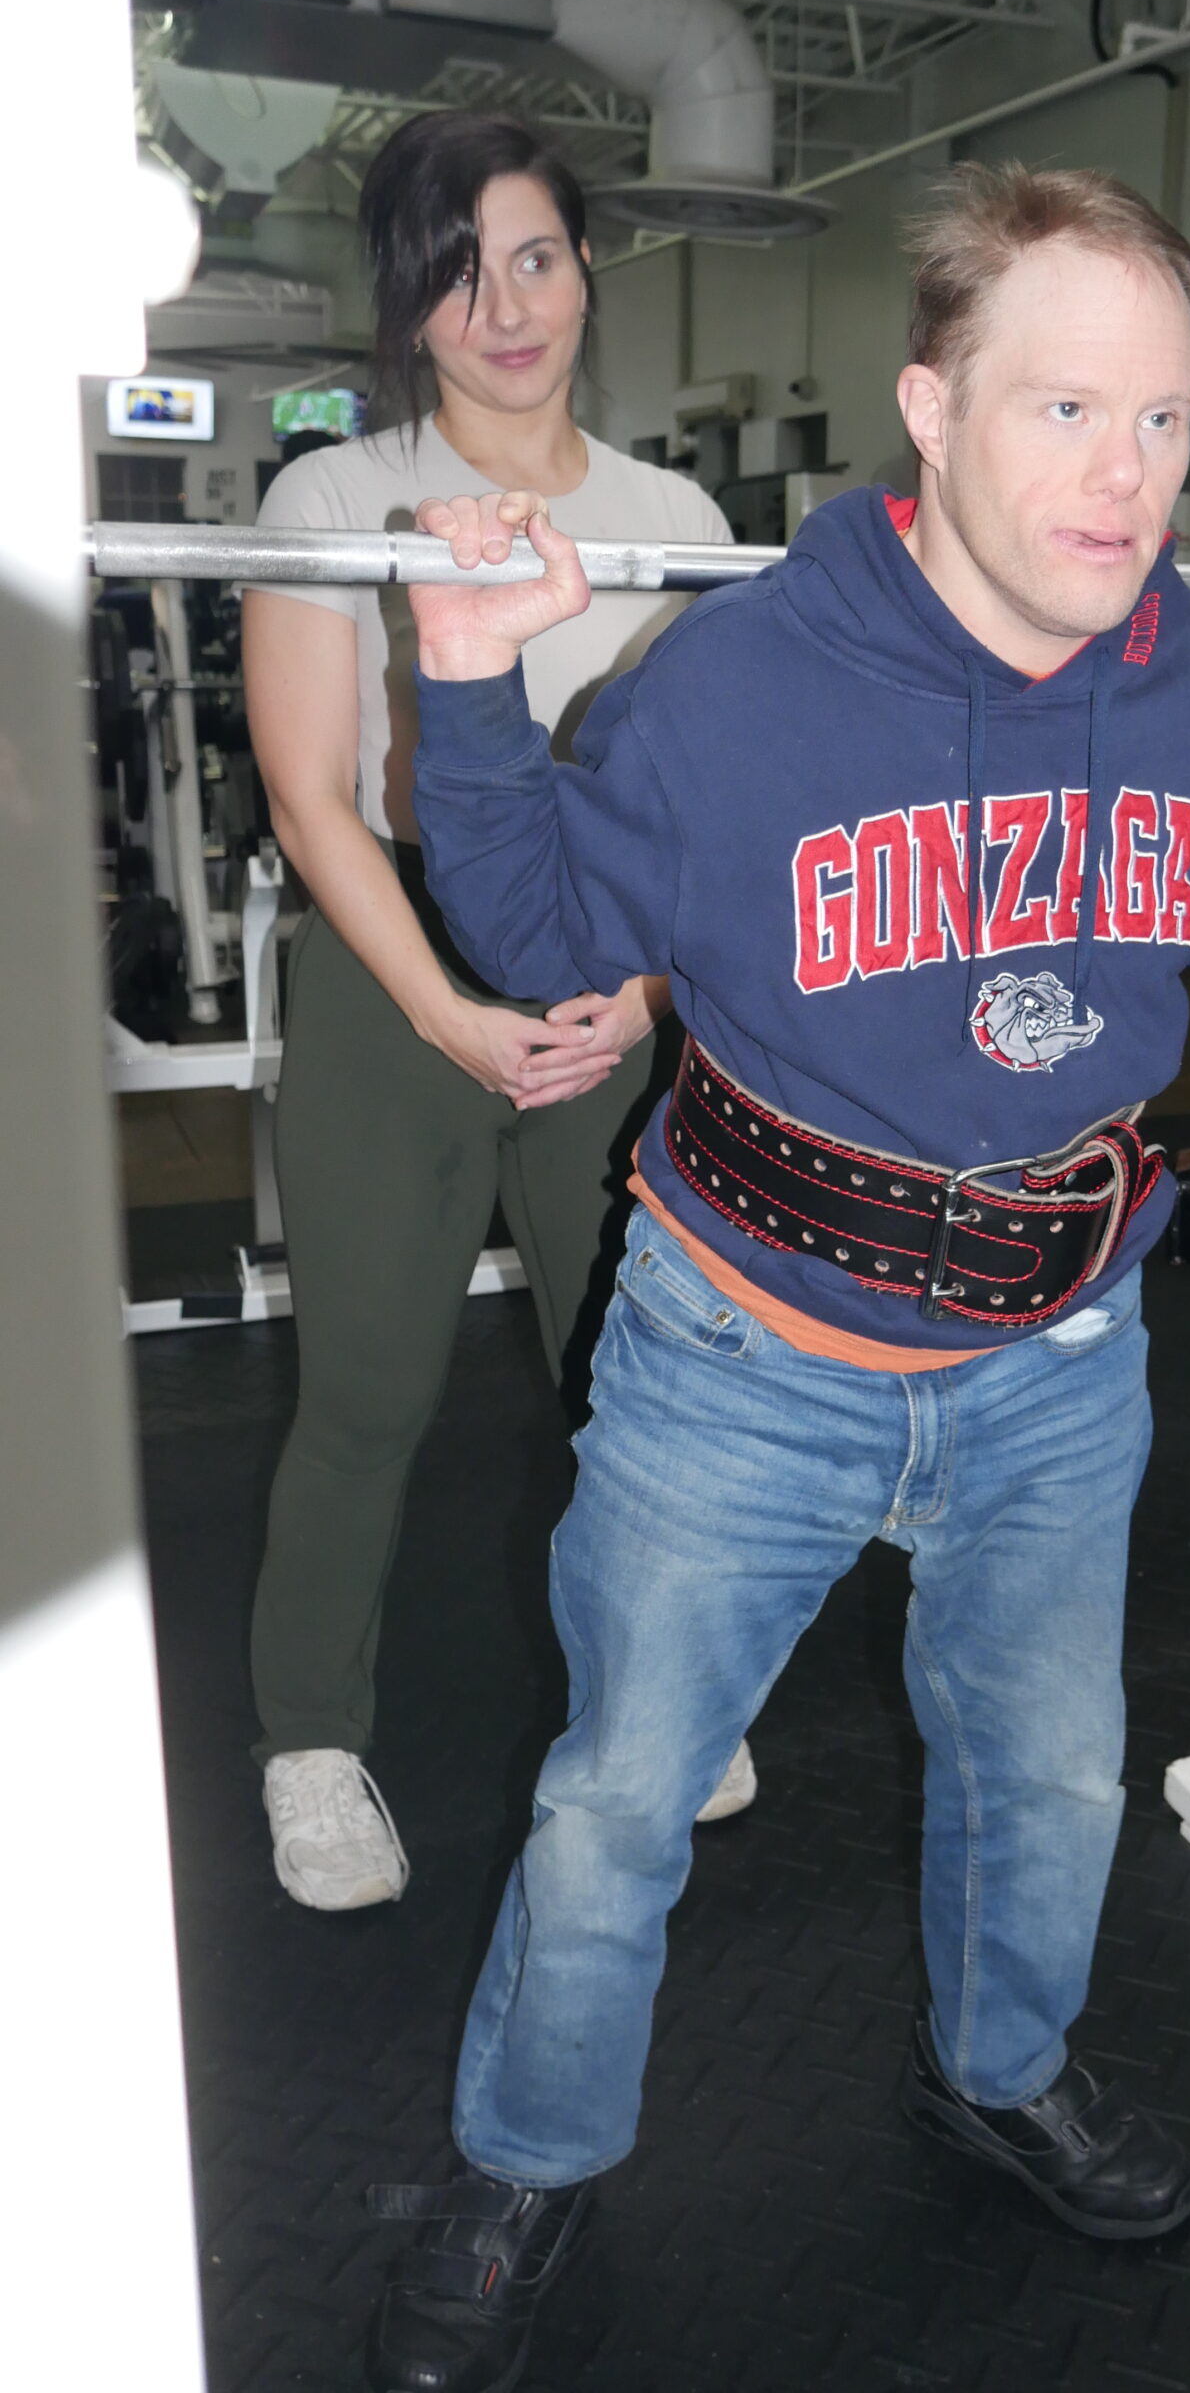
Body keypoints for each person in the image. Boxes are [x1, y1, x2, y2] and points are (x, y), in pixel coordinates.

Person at [362, 163, 1190, 2393]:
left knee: (1045, 1776)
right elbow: (547, 945)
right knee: (614, 1804)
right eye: (1062, 410)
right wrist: (465, 688)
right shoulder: (736, 683)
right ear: (932, 409)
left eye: (1159, 421)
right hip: (747, 1353)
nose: (1121, 477)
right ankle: (529, 2154)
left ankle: (998, 2065)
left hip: (1063, 1345)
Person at [241, 111, 756, 1916]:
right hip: (397, 985)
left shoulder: (674, 521)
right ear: (407, 302)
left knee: (629, 1386)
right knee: (366, 1393)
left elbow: (708, 810)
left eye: (532, 256)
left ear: (587, 263)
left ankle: (661, 1697)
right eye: (456, 274)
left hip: (614, 991)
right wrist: (454, 1018)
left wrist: (629, 995)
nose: (503, 307)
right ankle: (310, 1744)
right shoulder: (335, 501)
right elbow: (313, 794)